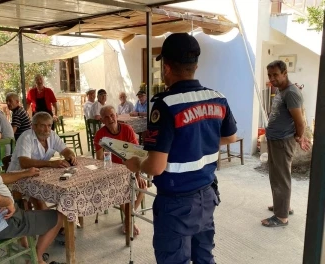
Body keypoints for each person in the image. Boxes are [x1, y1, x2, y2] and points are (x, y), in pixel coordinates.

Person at [124, 33, 237, 264]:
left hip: (177, 203)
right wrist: (195, 142)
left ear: (166, 67)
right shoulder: (217, 98)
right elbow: (230, 136)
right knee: (204, 258)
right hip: (207, 195)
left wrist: (135, 163)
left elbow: (155, 166)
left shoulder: (165, 104)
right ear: (195, 65)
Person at [0, 116, 64, 264]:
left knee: (22, 202)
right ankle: (36, 258)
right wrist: (6, 202)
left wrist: (25, 173)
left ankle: (26, 247)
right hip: (2, 224)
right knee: (60, 215)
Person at [261, 60, 311, 228]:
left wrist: (299, 137)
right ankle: (283, 206)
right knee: (277, 176)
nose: (272, 78)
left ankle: (281, 217)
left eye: (275, 74)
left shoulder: (291, 92)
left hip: (282, 141)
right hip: (276, 140)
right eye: (269, 75)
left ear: (284, 73)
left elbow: (300, 121)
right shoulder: (283, 90)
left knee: (281, 178)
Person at [7, 112, 77, 210]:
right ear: (34, 126)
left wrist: (71, 156)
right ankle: (50, 222)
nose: (47, 129)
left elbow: (65, 150)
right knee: (39, 200)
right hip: (19, 176)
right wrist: (51, 163)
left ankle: (58, 219)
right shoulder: (26, 137)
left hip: (38, 174)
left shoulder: (52, 135)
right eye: (43, 126)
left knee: (66, 188)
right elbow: (24, 163)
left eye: (49, 125)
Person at [93, 105, 147, 235]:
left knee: (143, 187)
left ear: (116, 116)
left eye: (112, 115)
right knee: (120, 192)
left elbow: (137, 154)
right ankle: (130, 221)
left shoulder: (127, 129)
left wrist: (138, 175)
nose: (110, 118)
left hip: (131, 169)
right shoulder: (100, 135)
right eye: (106, 117)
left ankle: (128, 219)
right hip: (112, 172)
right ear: (102, 121)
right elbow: (99, 159)